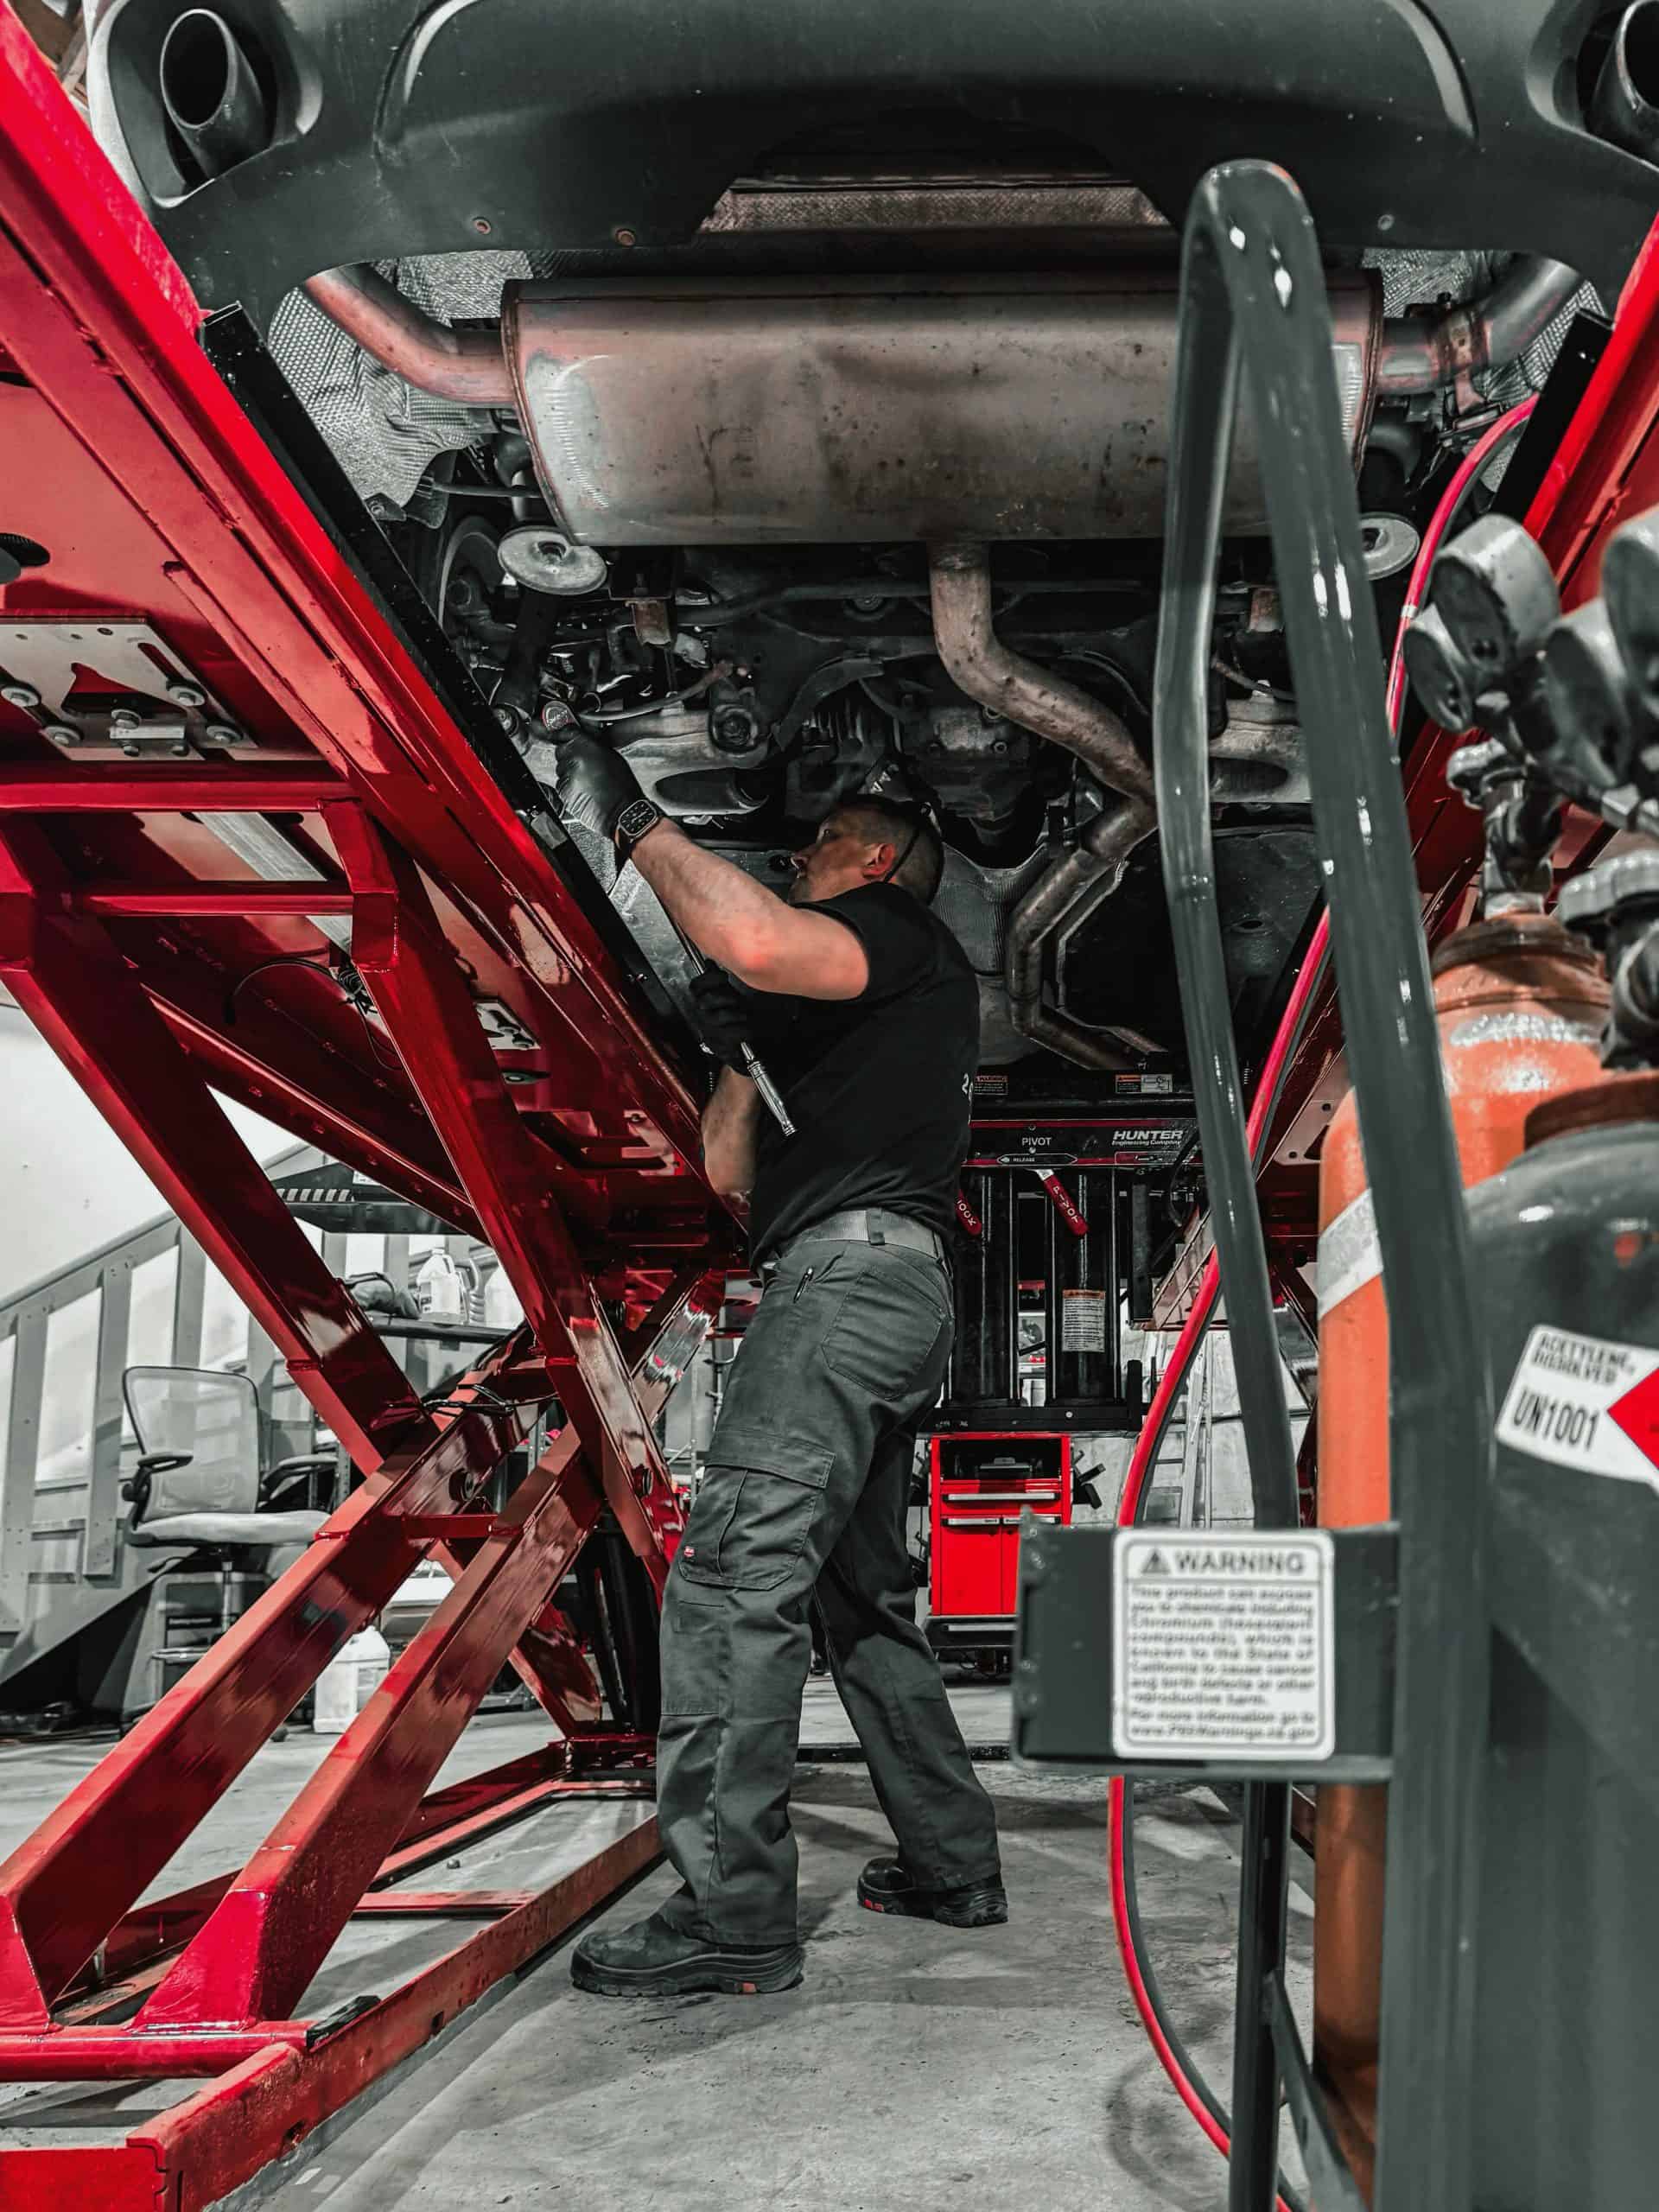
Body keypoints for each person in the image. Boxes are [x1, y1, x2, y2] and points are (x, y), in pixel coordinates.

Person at [552, 733, 1005, 1998]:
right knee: (859, 1600)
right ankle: (951, 1862)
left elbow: (754, 938)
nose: (799, 861)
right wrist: (741, 1052)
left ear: (875, 863)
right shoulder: (848, 1030)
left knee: (731, 1579)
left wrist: (635, 824)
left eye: (818, 848)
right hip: (882, 1293)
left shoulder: (901, 935)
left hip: (844, 1287)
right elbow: (727, 1170)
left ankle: (732, 1912)